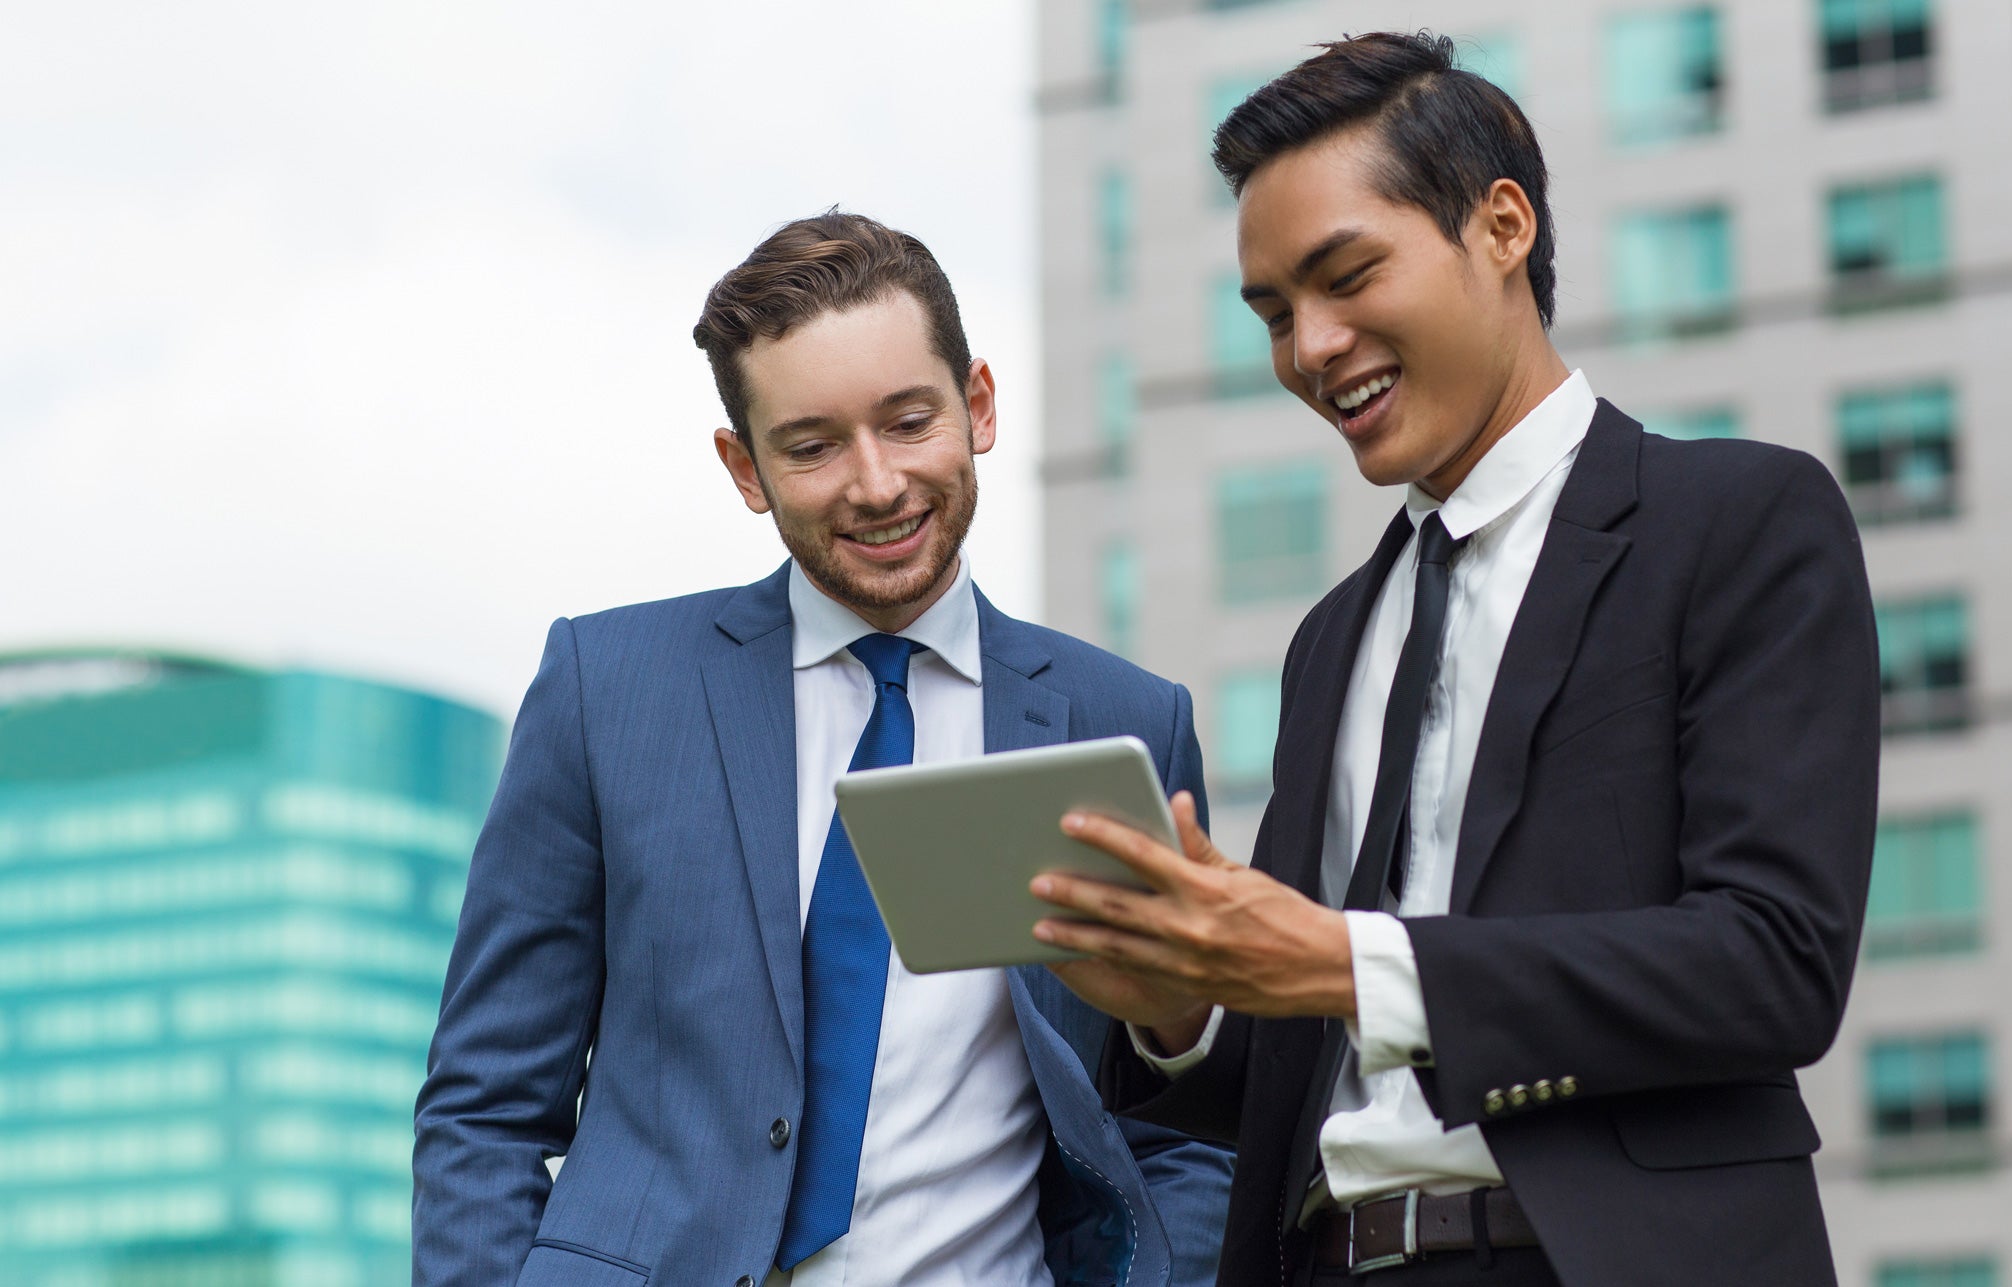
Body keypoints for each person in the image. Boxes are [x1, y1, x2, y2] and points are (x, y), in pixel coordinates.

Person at [1029, 32, 1879, 1287]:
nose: (1310, 349)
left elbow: (1774, 963)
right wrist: (1176, 1000)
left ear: (1500, 227)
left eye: (1344, 276)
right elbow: (1305, 1064)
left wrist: (1342, 956)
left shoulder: (1738, 524)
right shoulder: (1331, 639)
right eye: (1273, 314)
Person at [414, 210, 1232, 1287]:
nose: (876, 483)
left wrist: (1180, 1029)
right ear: (744, 467)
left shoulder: (1123, 718)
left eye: (907, 422)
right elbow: (485, 1106)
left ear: (976, 406)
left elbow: (1175, 1123)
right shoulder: (604, 690)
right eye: (810, 446)